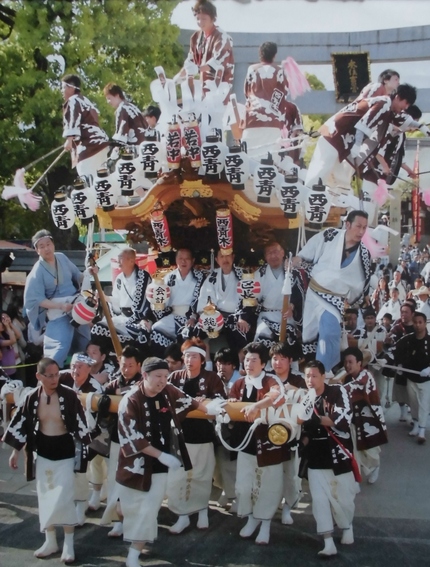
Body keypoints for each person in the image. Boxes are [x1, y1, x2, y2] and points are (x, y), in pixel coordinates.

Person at [116, 357, 217, 567]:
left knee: (150, 508)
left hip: (161, 463)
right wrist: (159, 455)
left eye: (165, 376)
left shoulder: (168, 391)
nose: (162, 380)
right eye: (157, 376)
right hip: (134, 463)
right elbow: (132, 437)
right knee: (128, 508)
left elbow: (189, 401)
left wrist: (213, 411)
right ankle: (132, 532)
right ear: (144, 376)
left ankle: (133, 553)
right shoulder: (130, 400)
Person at [2, 357, 92, 563]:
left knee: (65, 497)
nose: (54, 379)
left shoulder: (69, 396)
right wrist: (16, 451)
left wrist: (85, 448)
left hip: (66, 452)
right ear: (39, 376)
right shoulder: (32, 397)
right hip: (42, 451)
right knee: (45, 497)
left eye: (57, 375)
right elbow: (21, 423)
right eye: (49, 376)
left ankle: (68, 544)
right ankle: (50, 540)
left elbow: (81, 424)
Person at [290, 210, 371, 374]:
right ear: (347, 224)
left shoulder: (363, 254)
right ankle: (314, 371)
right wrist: (298, 259)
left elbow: (365, 280)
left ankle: (324, 372)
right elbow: (310, 250)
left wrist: (362, 297)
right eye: (358, 226)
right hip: (314, 293)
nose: (361, 232)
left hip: (335, 299)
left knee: (329, 333)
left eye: (364, 228)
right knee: (310, 335)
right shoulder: (330, 234)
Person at [242, 342, 307, 526]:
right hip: (266, 436)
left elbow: (307, 399)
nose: (278, 362)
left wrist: (291, 391)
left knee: (289, 475)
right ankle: (263, 510)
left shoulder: (298, 380)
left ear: (290, 361)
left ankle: (288, 506)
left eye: (282, 359)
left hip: (290, 435)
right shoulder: (266, 380)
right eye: (275, 359)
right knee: (268, 477)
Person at [305, 84, 417, 190]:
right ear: (398, 97)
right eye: (406, 103)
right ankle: (308, 201)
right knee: (322, 171)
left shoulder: (388, 112)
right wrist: (357, 144)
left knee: (338, 181)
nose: (405, 108)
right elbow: (363, 125)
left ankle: (328, 205)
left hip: (343, 143)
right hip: (333, 135)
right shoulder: (383, 103)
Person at [166, 338, 226, 533]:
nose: (189, 360)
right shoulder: (174, 377)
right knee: (177, 477)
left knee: (201, 475)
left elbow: (220, 401)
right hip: (179, 435)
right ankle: (182, 515)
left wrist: (206, 400)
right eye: (186, 356)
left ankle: (202, 511)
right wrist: (192, 402)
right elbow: (164, 396)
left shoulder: (212, 378)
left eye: (194, 356)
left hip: (202, 435)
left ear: (202, 359)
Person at [228, 342, 284, 545]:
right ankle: (250, 519)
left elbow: (276, 396)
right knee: (244, 486)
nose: (249, 364)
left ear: (263, 364)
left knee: (266, 485)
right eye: (246, 359)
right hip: (245, 443)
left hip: (268, 442)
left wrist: (256, 406)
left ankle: (265, 524)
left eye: (253, 360)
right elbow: (231, 403)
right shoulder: (238, 383)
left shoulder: (271, 380)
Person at [301, 360, 356, 557]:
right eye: (307, 376)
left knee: (343, 497)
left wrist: (315, 418)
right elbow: (305, 429)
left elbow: (341, 420)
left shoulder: (337, 392)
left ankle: (347, 526)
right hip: (316, 454)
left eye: (314, 376)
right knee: (319, 499)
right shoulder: (304, 397)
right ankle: (327, 541)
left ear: (324, 376)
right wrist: (302, 442)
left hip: (338, 453)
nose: (310, 380)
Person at [24, 230, 93, 368]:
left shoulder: (62, 257)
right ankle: (46, 380)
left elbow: (77, 276)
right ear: (37, 250)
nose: (46, 248)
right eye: (41, 246)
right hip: (57, 311)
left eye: (48, 244)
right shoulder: (37, 271)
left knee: (86, 342)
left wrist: (89, 272)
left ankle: (85, 377)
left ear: (53, 244)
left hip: (76, 306)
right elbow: (35, 299)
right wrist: (60, 306)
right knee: (59, 348)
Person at [100, 345, 144, 537]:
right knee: (114, 479)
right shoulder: (113, 383)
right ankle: (117, 520)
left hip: (138, 440)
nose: (126, 369)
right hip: (118, 438)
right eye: (123, 365)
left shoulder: (144, 384)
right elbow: (103, 397)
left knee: (134, 480)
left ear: (139, 365)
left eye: (130, 365)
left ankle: (135, 518)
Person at [91, 247, 152, 353]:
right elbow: (117, 302)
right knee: (97, 329)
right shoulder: (119, 278)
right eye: (118, 258)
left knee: (139, 333)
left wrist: (142, 318)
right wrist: (104, 297)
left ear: (131, 260)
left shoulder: (143, 276)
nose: (118, 261)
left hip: (139, 319)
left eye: (121, 258)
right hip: (122, 317)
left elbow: (144, 303)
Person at [342, 347, 388, 484]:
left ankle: (375, 467)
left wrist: (336, 387)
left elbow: (355, 386)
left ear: (359, 363)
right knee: (356, 448)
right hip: (354, 418)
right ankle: (356, 476)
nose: (347, 365)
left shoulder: (365, 375)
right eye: (345, 362)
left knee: (370, 449)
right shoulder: (347, 377)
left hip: (370, 418)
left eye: (350, 362)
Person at [149, 249, 204, 358]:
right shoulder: (169, 277)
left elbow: (202, 300)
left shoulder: (199, 277)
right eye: (180, 259)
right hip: (173, 315)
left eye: (187, 259)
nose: (183, 262)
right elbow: (161, 298)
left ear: (192, 261)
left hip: (192, 317)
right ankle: (163, 361)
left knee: (187, 333)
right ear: (176, 260)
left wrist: (194, 317)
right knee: (156, 328)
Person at [197, 250, 253, 356]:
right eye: (221, 256)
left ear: (233, 257)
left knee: (241, 332)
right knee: (197, 330)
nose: (225, 259)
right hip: (216, 315)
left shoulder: (243, 275)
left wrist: (242, 317)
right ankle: (207, 362)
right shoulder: (212, 277)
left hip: (236, 316)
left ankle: (242, 365)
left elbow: (248, 298)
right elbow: (205, 297)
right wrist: (212, 313)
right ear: (217, 260)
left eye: (228, 256)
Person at [176, 0, 234, 99]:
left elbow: (217, 61)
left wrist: (197, 69)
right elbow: (190, 60)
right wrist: (179, 76)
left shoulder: (222, 37)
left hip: (220, 89)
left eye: (204, 19)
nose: (200, 22)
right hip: (202, 89)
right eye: (198, 18)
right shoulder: (196, 36)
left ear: (212, 18)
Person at [242, 41, 289, 157]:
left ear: (260, 54)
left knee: (248, 157)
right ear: (274, 55)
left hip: (252, 118)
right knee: (270, 160)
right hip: (273, 121)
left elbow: (246, 92)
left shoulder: (252, 69)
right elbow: (284, 94)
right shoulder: (280, 71)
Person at [255, 241, 301, 357]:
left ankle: (291, 367)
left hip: (285, 315)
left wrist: (292, 307)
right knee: (262, 334)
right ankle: (265, 367)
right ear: (265, 257)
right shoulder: (259, 274)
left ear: (282, 253)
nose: (273, 256)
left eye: (275, 252)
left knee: (288, 339)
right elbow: (253, 296)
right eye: (269, 253)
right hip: (266, 315)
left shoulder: (292, 272)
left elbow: (298, 293)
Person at [61, 73, 110, 176]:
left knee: (86, 178)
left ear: (70, 88)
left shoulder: (73, 100)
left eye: (63, 87)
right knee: (101, 180)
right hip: (101, 143)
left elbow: (73, 118)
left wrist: (69, 139)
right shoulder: (86, 101)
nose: (62, 91)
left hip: (89, 145)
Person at [393, 312, 430, 444]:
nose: (418, 325)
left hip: (426, 379)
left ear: (425, 323)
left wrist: (429, 369)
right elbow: (395, 349)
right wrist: (400, 365)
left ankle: (422, 430)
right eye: (416, 322)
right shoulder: (408, 339)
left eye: (421, 322)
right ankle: (415, 424)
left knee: (424, 404)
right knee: (413, 402)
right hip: (411, 376)